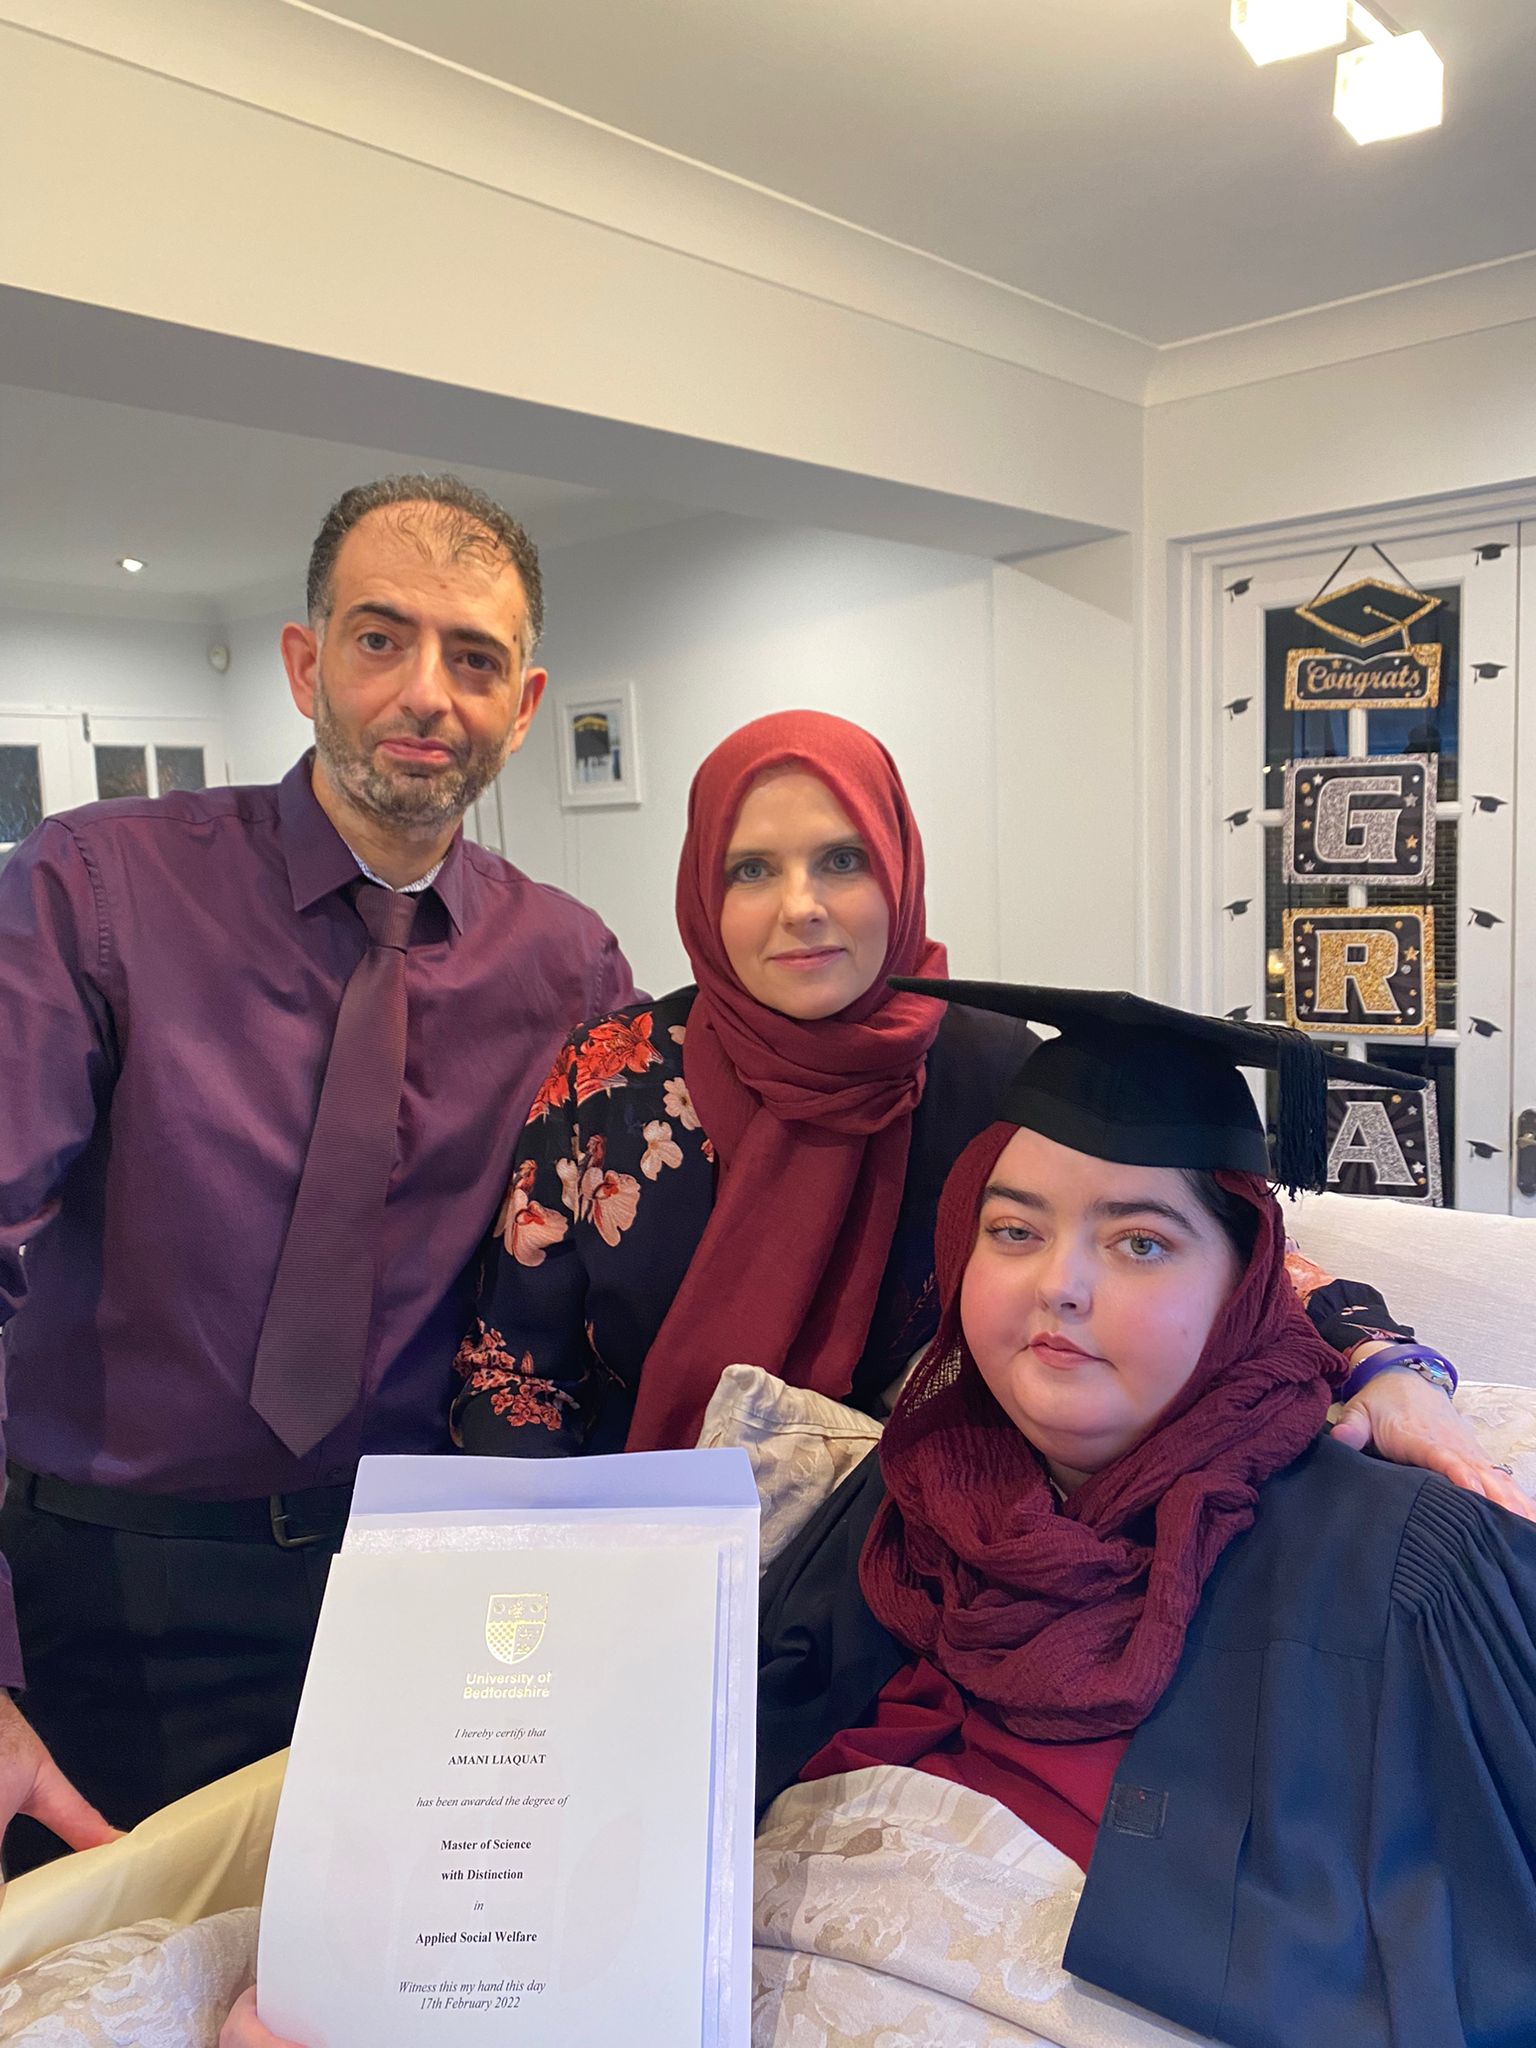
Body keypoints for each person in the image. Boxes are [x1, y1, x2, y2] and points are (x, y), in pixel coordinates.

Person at [0, 474, 637, 1872]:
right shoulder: (91, 891)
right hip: (111, 1594)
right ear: (305, 664)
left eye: (474, 659)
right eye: (379, 638)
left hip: (419, 1593)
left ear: (523, 707)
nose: (427, 694)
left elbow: (599, 1284)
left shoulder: (571, 965)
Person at [758, 985, 1536, 2046]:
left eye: (1139, 1243)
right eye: (1013, 1228)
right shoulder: (906, 1496)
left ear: (1246, 1281)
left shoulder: (1403, 1567)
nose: (1059, 1285)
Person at [454, 711, 1497, 1480]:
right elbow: (517, 1374)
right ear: (702, 889)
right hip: (640, 1560)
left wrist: (1384, 1360)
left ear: (899, 866)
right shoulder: (610, 1082)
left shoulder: (994, 1071)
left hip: (911, 1559)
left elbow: (1215, 1240)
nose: (803, 906)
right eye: (752, 869)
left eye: (841, 859)